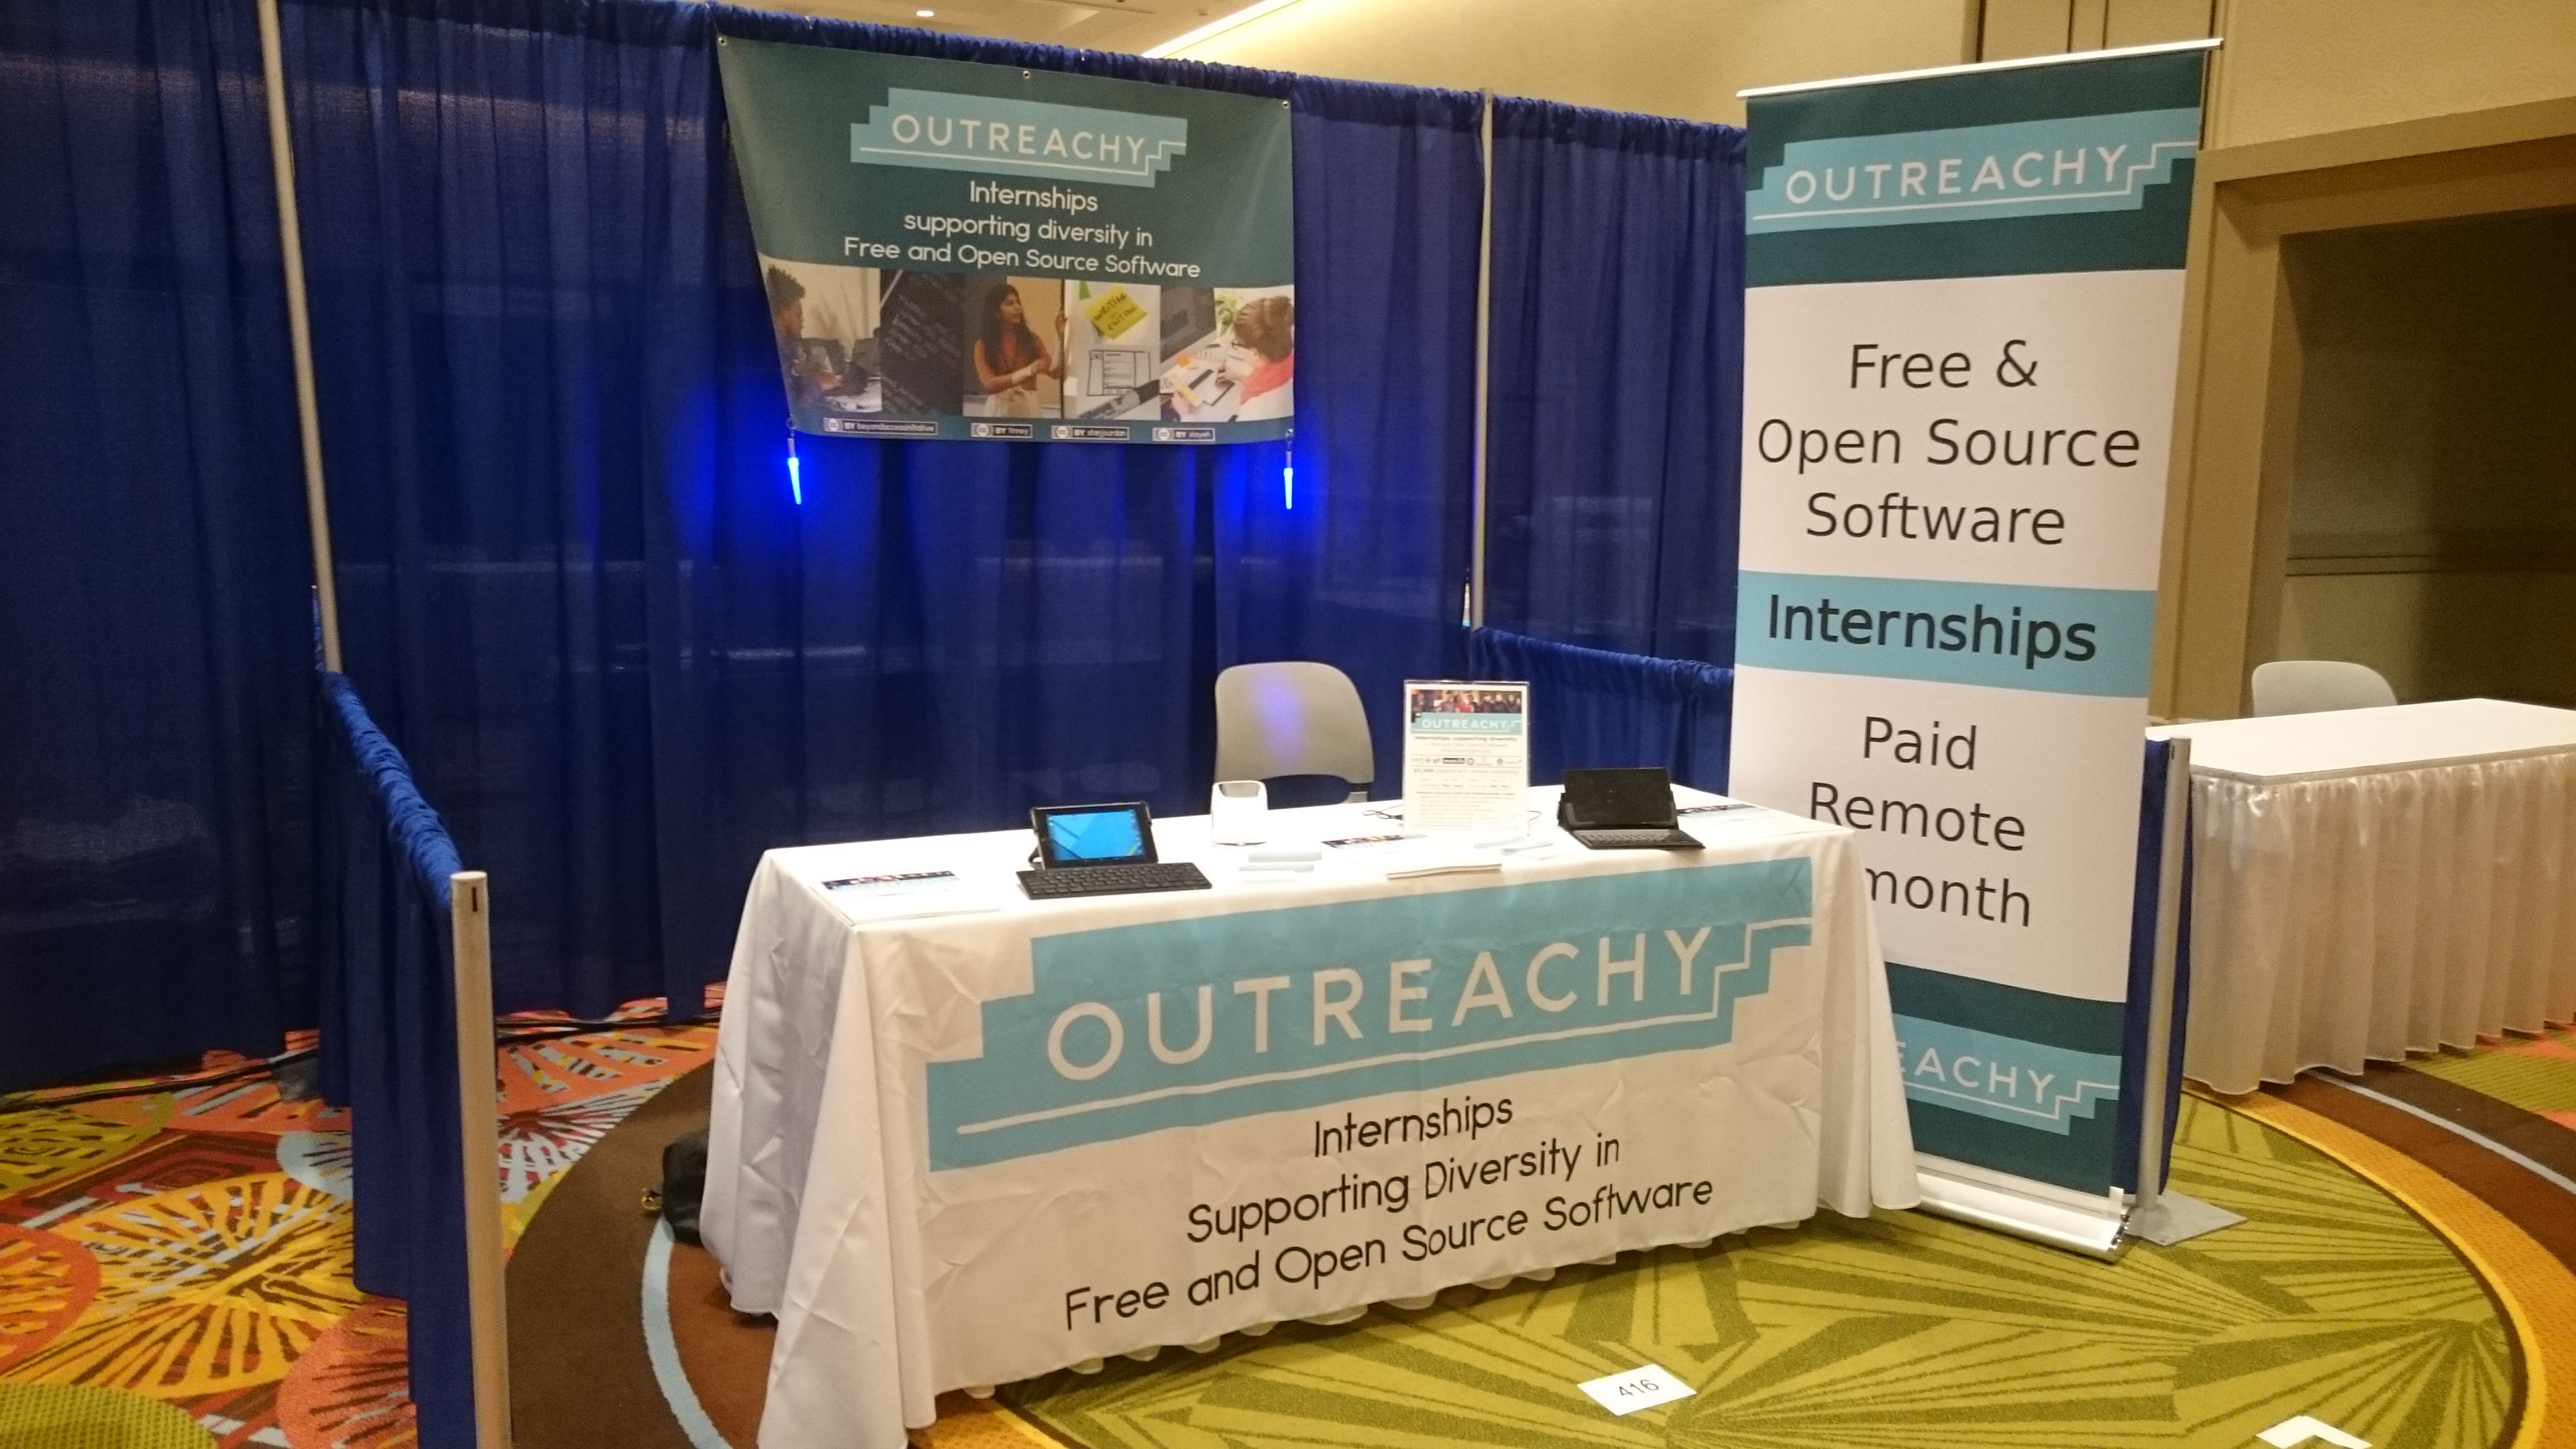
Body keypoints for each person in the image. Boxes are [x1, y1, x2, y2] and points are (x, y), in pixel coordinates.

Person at [973, 282, 1065, 417]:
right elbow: (989, 384)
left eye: (1018, 302)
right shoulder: (983, 345)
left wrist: (1061, 337)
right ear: (996, 312)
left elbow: (1056, 373)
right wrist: (1028, 371)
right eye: (1010, 304)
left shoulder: (1031, 339)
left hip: (1029, 410)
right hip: (998, 411)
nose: (1018, 307)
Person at [765, 266, 837, 415]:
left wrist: (814, 376)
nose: (802, 323)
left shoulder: (788, 344)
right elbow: (790, 406)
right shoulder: (774, 349)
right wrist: (818, 384)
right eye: (798, 316)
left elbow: (794, 381)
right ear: (784, 312)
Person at [1228, 295, 1294, 421]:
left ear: (1254, 352)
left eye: (1237, 343)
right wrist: (1240, 377)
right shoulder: (1289, 362)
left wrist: (1189, 416)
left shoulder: (1255, 411)